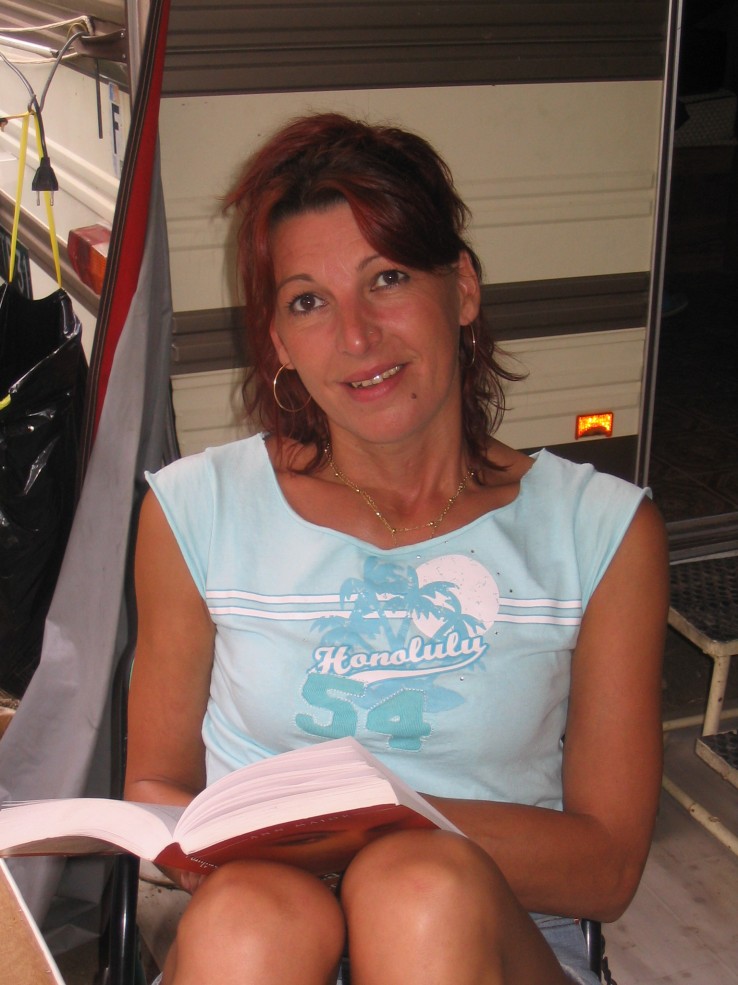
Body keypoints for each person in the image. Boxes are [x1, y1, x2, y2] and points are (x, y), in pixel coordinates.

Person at [125, 112, 669, 985]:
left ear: (462, 288)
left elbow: (606, 871)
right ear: (278, 340)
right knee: (249, 915)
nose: (356, 336)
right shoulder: (195, 509)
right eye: (308, 301)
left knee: (416, 889)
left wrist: (372, 825)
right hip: (264, 935)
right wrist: (215, 848)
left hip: (489, 938)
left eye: (387, 278)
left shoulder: (599, 531)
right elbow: (155, 784)